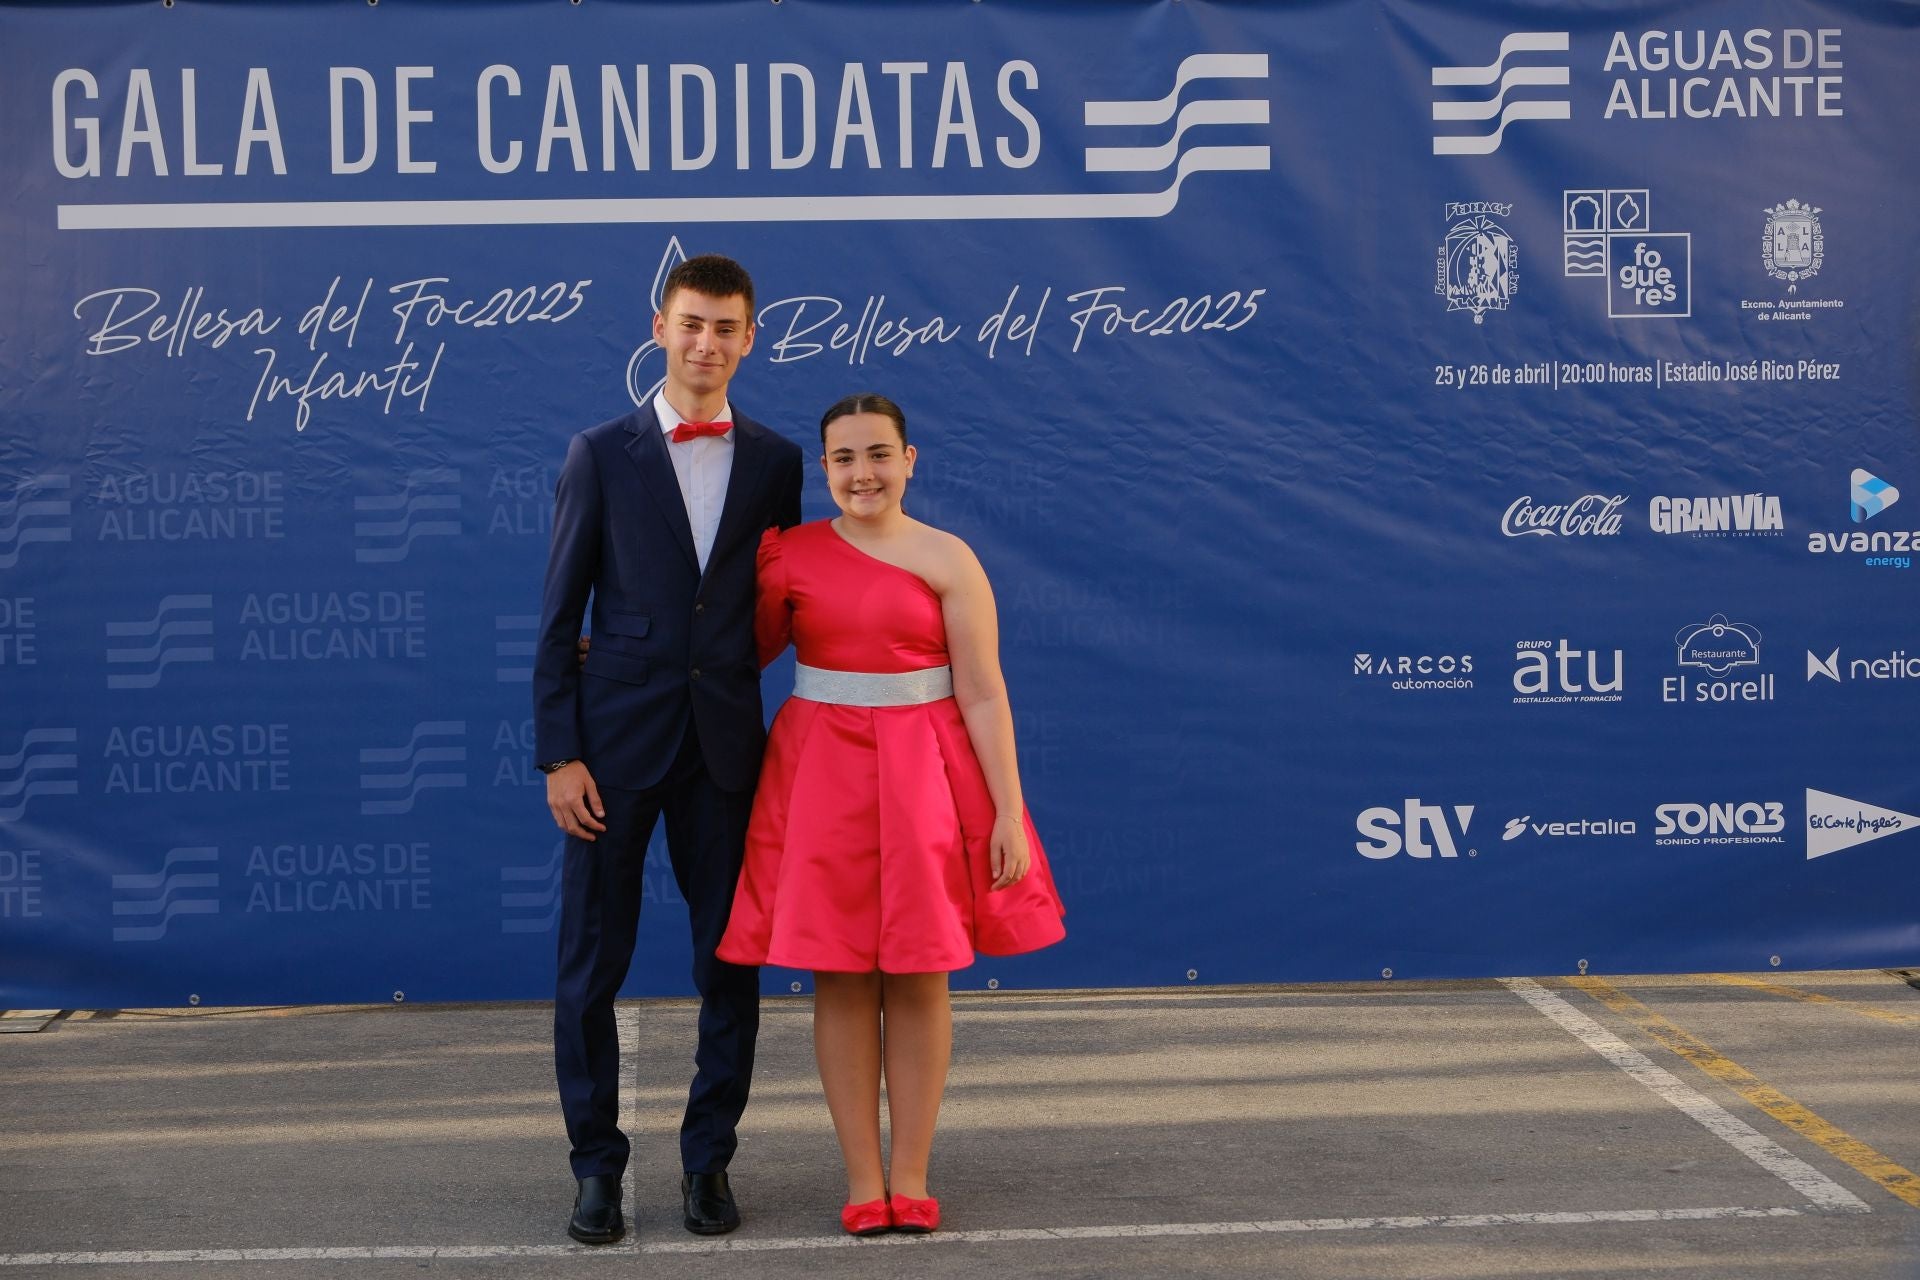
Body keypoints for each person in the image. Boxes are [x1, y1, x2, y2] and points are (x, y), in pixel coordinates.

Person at [716, 393, 1066, 1237]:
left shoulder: (949, 557)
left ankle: (910, 1175)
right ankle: (862, 1181)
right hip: (819, 775)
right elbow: (728, 656)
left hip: (927, 777)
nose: (862, 473)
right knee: (838, 974)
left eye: (878, 454)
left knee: (919, 972)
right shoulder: (787, 556)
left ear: (910, 461)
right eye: (843, 458)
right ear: (824, 468)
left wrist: (1009, 811)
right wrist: (621, 649)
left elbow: (983, 692)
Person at [532, 255, 803, 1244]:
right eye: (692, 323)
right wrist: (560, 753)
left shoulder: (777, 461)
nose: (706, 342)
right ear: (660, 328)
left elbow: (774, 603)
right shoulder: (599, 452)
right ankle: (595, 1171)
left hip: (726, 750)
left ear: (750, 339)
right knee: (589, 969)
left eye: (726, 327)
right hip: (610, 752)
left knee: (730, 964)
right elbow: (559, 616)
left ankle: (708, 1160)